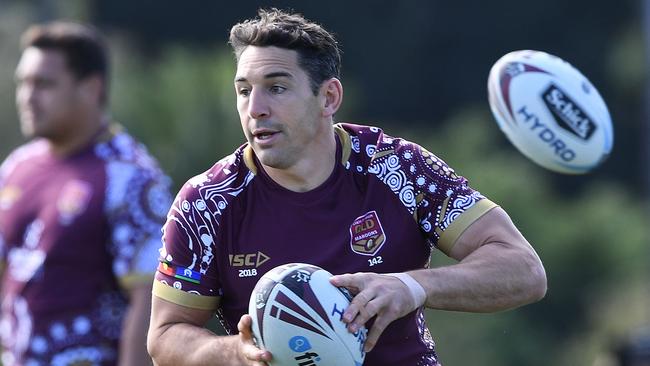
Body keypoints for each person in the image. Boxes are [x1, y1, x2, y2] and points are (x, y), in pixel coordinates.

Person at [147, 8, 547, 366]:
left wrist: (412, 286)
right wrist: (235, 352)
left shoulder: (396, 167)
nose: (256, 109)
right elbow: (165, 338)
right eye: (244, 90)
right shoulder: (207, 203)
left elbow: (523, 268)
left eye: (277, 87)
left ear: (329, 97)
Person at [0, 21, 172, 366]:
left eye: (44, 84)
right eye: (23, 83)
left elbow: (150, 299)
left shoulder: (131, 177)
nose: (27, 97)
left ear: (91, 88)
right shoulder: (17, 167)